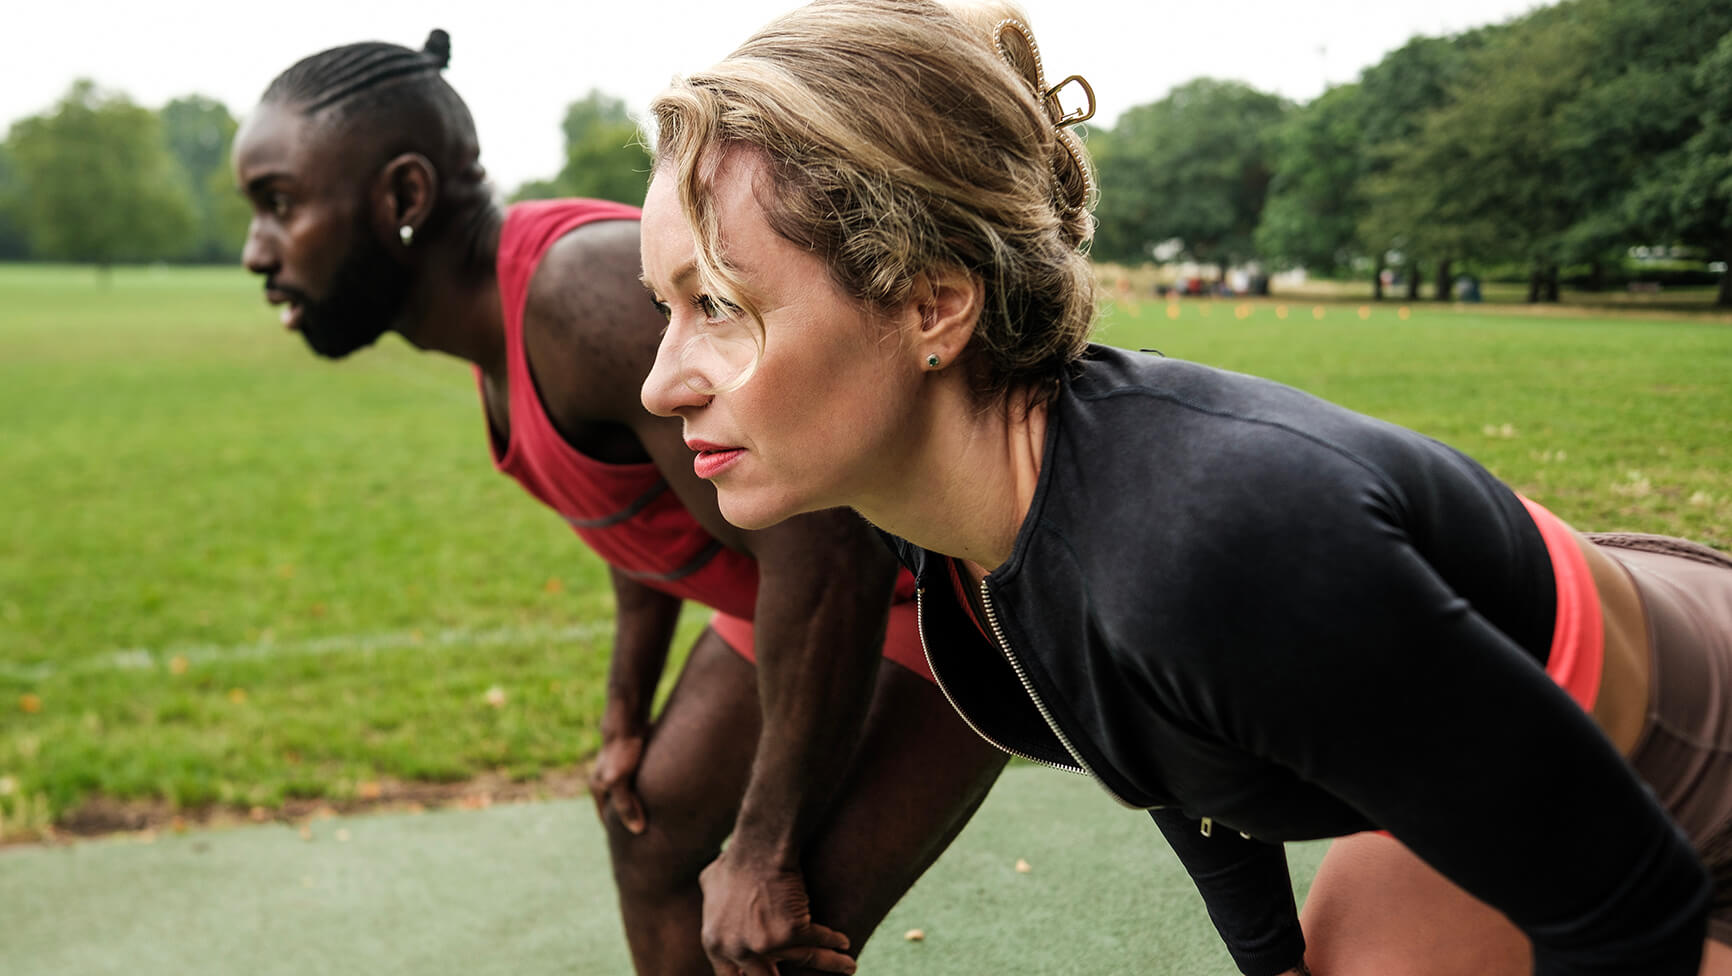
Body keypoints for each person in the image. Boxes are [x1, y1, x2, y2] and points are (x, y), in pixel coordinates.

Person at [636, 1, 1732, 973]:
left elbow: (1630, 901)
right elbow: (1172, 744)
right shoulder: (961, 523)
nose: (661, 381)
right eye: (665, 308)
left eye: (721, 304)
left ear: (932, 304)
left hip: (1682, 788)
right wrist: (1272, 957)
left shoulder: (1203, 541)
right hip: (1516, 763)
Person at [231, 31, 1007, 976]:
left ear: (403, 198)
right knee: (648, 831)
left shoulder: (576, 295)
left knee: (772, 940)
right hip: (808, 591)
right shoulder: (510, 336)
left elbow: (831, 554)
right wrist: (623, 708)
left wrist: (765, 842)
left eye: (278, 204)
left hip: (934, 583)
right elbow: (645, 519)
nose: (254, 251)